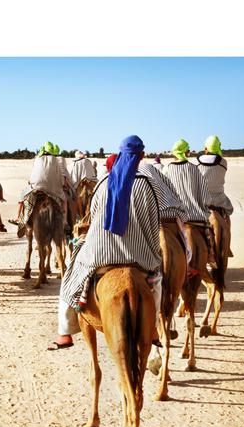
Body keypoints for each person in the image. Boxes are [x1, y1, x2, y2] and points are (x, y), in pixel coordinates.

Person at [49, 135, 163, 350]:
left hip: (101, 254)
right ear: (142, 156)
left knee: (70, 277)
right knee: (156, 282)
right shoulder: (149, 184)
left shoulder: (103, 181)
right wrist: (150, 251)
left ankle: (64, 332)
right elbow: (154, 222)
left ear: (120, 155)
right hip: (139, 256)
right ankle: (154, 327)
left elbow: (92, 218)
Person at [161, 138, 215, 264]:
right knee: (209, 232)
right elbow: (205, 195)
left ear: (174, 153)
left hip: (177, 217)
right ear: (186, 153)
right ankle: (211, 256)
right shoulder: (194, 169)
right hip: (196, 215)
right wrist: (204, 206)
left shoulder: (166, 170)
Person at [8, 141, 69, 236]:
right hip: (53, 188)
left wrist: (31, 182)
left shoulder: (37, 158)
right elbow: (60, 177)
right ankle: (64, 222)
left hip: (37, 186)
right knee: (64, 200)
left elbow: (33, 175)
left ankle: (20, 219)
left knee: (22, 197)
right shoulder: (56, 160)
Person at [196, 135, 234, 255]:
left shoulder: (197, 163)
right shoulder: (223, 162)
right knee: (227, 217)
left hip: (202, 201)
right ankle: (227, 245)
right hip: (219, 200)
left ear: (206, 148)